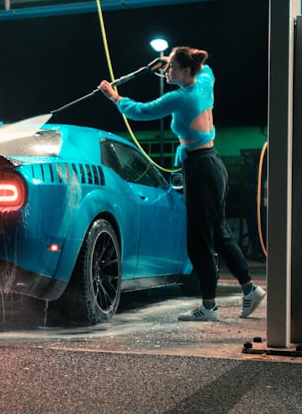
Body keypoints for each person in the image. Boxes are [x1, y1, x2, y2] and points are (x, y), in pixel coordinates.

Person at [97, 46, 266, 322]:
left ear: (186, 71)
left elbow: (141, 111)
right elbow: (207, 69)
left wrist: (115, 97)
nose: (166, 71)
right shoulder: (204, 81)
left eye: (171, 68)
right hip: (211, 164)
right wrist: (166, 59)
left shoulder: (181, 97)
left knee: (199, 241)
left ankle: (211, 306)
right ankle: (249, 289)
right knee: (218, 233)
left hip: (200, 169)